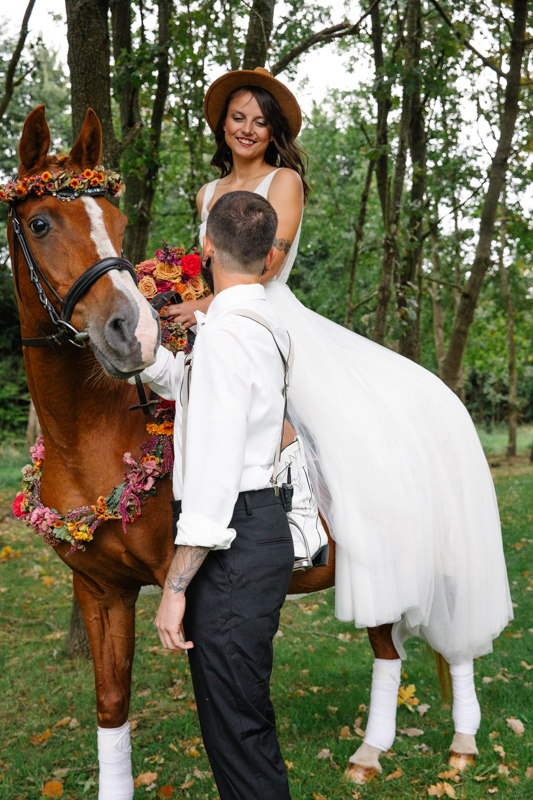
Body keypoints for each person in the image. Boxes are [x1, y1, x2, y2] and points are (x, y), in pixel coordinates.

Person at [166, 67, 512, 766]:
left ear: (274, 133)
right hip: (221, 322)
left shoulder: (282, 183)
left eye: (259, 121)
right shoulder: (206, 193)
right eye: (236, 116)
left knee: (358, 459)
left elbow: (265, 266)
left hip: (271, 320)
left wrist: (199, 307)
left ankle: (361, 547)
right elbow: (211, 268)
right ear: (221, 123)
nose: (246, 128)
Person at [135, 190, 294, 800]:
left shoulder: (229, 336)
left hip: (235, 545)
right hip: (255, 535)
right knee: (239, 725)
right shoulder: (257, 325)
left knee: (239, 736)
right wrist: (149, 357)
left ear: (206, 249)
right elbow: (204, 395)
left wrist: (173, 590)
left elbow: (214, 482)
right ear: (266, 254)